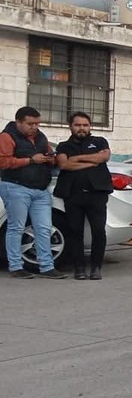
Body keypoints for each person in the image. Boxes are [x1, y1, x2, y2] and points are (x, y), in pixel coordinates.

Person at [0, 106, 66, 279]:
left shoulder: (40, 137)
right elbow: (3, 163)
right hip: (16, 187)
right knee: (16, 227)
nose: (34, 127)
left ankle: (47, 266)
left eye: (37, 123)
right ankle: (16, 266)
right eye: (30, 124)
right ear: (19, 122)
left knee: (44, 228)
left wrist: (50, 159)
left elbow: (48, 154)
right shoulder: (7, 136)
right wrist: (30, 160)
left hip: (40, 189)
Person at [54, 112, 113, 280]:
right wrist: (92, 162)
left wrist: (78, 158)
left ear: (90, 127)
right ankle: (79, 268)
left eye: (85, 125)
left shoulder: (100, 141)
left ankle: (96, 268)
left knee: (98, 231)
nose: (81, 128)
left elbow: (104, 157)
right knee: (75, 232)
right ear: (70, 126)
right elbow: (64, 164)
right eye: (78, 125)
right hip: (73, 195)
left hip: (97, 194)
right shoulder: (63, 146)